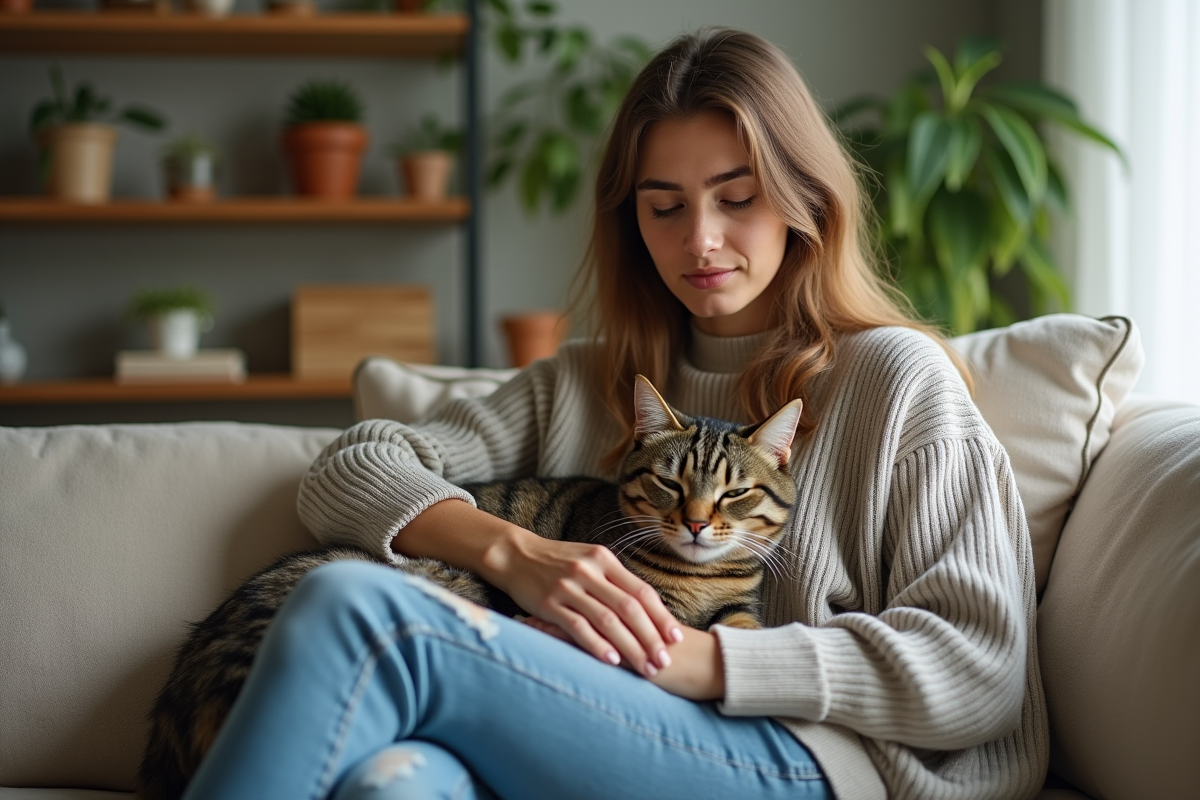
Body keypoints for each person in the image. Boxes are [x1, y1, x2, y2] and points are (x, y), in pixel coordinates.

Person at [183, 27, 1048, 800]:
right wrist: (518, 557)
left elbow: (977, 670)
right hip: (597, 719)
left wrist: (694, 659)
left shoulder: (895, 379)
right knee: (393, 784)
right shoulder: (589, 381)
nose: (699, 238)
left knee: (357, 613)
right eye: (664, 206)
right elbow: (349, 468)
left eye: (736, 198)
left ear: (803, 199)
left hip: (812, 761)